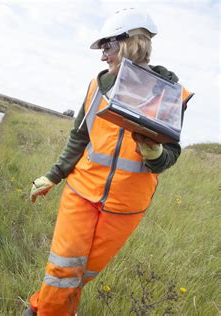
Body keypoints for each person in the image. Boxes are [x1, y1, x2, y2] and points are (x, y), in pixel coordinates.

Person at [24, 8, 193, 316]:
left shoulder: (169, 95)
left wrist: (155, 155)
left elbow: (171, 153)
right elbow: (78, 137)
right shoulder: (96, 86)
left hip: (125, 206)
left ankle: (48, 309)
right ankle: (40, 312)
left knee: (82, 275)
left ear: (132, 42)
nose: (102, 56)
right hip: (81, 192)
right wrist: (53, 175)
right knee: (62, 271)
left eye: (108, 46)